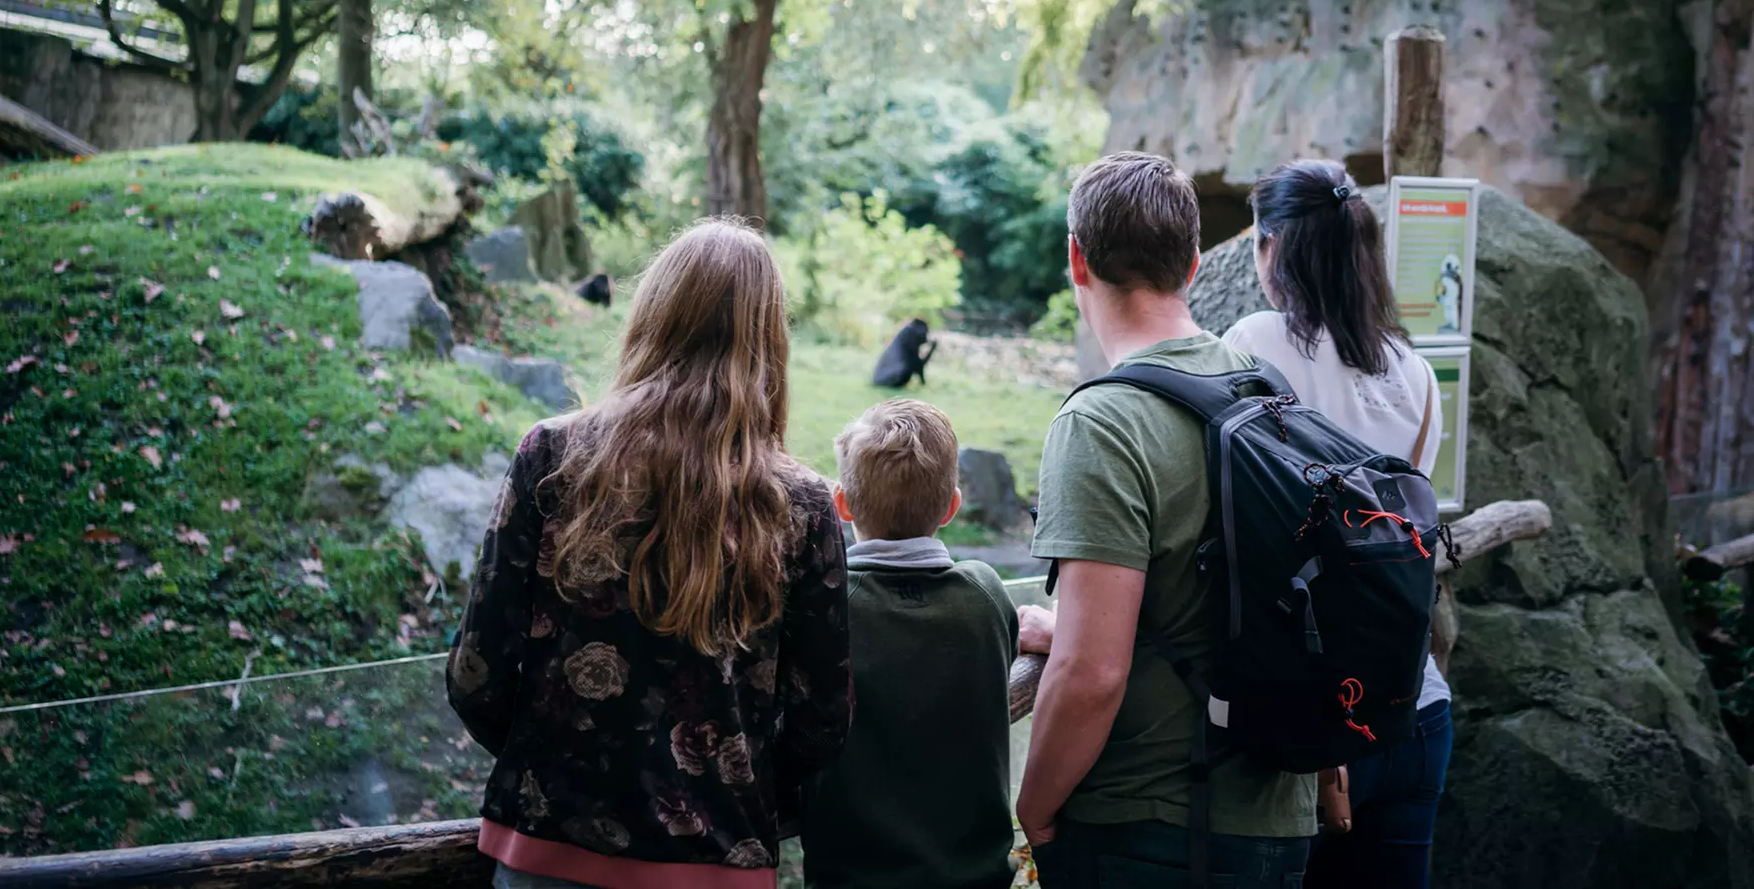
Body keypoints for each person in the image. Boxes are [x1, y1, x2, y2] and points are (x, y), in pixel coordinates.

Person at [447, 220, 853, 889]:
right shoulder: (801, 503)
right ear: (767, 340)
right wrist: (732, 788)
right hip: (718, 862)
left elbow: (475, 672)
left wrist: (550, 763)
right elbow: (823, 718)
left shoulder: (550, 456)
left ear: (652, 314)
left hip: (547, 849)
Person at [1020, 151, 1316, 888]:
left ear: (1076, 259)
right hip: (1277, 814)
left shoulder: (1102, 423)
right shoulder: (1263, 387)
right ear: (1191, 264)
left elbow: (1093, 672)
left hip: (1155, 826)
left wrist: (1034, 805)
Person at [1219, 159, 1451, 889]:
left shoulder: (1253, 344)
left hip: (1310, 726)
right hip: (1414, 706)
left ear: (1273, 247)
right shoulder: (1414, 372)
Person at [800, 398, 1048, 889]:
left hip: (851, 877)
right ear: (952, 506)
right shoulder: (983, 593)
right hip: (975, 877)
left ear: (841, 504)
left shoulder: (828, 608)